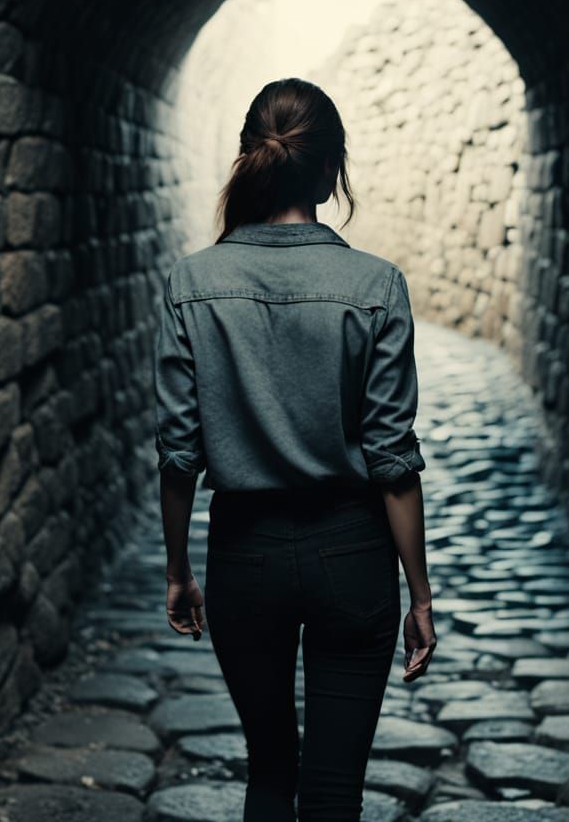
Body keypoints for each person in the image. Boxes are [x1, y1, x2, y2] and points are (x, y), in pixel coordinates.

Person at [152, 77, 437, 821]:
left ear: (250, 157)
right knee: (336, 786)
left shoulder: (193, 282)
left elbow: (178, 452)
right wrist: (421, 592)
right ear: (332, 169)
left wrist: (179, 569)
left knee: (270, 772)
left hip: (244, 557)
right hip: (353, 555)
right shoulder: (375, 284)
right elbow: (393, 458)